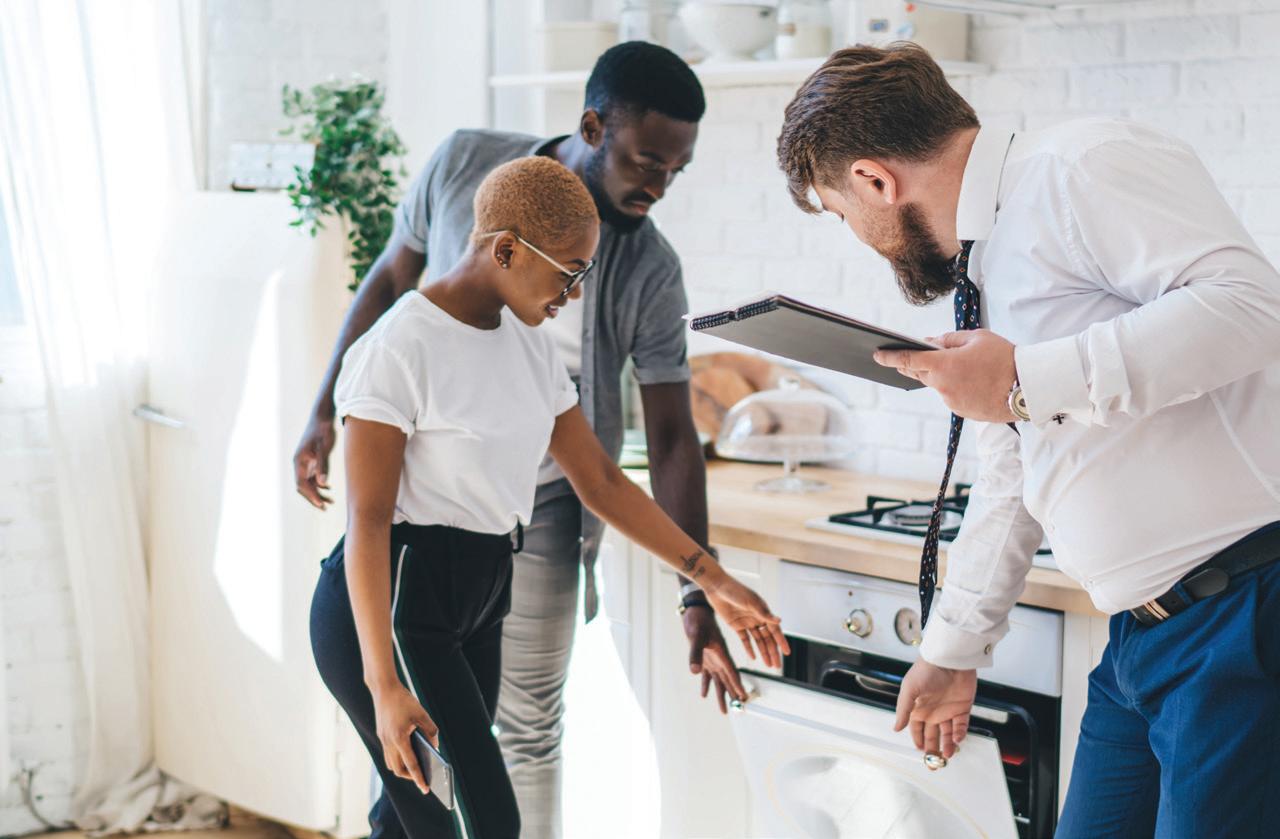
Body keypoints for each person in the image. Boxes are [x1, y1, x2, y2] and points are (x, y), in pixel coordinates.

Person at [777, 43, 1280, 837]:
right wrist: (952, 649)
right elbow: (1015, 476)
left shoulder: (1079, 166)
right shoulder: (988, 265)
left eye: (844, 215)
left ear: (874, 180)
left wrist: (1022, 379)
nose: (860, 237)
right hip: (1143, 638)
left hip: (1241, 617)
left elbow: (1251, 309)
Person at [293, 42, 747, 838]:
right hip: (407, 583)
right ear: (506, 250)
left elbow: (610, 476)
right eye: (567, 274)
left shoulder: (543, 337)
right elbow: (367, 522)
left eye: (583, 275)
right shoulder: (404, 339)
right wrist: (382, 683)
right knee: (458, 809)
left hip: (492, 568)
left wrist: (706, 581)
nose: (574, 294)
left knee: (428, 804)